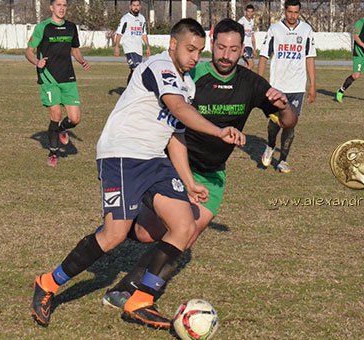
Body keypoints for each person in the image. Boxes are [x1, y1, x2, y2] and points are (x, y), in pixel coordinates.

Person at [31, 18, 246, 329]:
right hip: (122, 154)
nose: (194, 57)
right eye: (189, 49)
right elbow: (178, 109)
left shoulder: (188, 83)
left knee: (184, 226)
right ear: (173, 44)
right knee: (114, 234)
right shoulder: (158, 66)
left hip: (154, 160)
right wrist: (218, 131)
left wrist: (188, 182)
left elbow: (175, 135)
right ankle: (48, 283)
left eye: (199, 51)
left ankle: (141, 300)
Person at [100, 18, 297, 311]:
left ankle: (131, 290)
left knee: (188, 232)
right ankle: (121, 223)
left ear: (242, 49)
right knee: (146, 233)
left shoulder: (252, 83)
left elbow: (288, 122)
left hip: (213, 174)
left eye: (233, 49)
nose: (226, 55)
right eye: (220, 47)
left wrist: (285, 106)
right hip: (177, 166)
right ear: (211, 44)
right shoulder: (194, 77)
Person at [25, 0, 90, 168]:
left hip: (68, 77)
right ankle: (53, 153)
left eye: (64, 5)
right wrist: (36, 62)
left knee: (75, 119)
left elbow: (75, 49)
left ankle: (61, 129)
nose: (62, 8)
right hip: (48, 77)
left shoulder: (71, 27)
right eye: (58, 5)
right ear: (51, 8)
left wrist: (81, 60)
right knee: (55, 113)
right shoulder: (43, 27)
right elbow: (29, 51)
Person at [257, 0, 316, 173]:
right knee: (275, 123)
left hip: (297, 86)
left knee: (290, 124)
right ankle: (270, 146)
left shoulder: (306, 30)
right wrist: (259, 83)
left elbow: (310, 58)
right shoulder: (275, 30)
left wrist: (312, 85)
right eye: (290, 12)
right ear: (284, 11)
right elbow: (263, 56)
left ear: (300, 12)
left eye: (296, 12)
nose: (293, 16)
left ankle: (283, 160)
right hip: (278, 85)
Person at [114, 0, 152, 83]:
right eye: (134, 5)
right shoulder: (125, 18)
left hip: (138, 48)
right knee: (136, 69)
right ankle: (131, 90)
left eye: (137, 5)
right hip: (129, 48)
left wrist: (147, 47)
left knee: (135, 70)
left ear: (140, 7)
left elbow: (144, 34)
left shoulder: (142, 18)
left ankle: (129, 89)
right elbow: (119, 33)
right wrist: (116, 46)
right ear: (130, 7)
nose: (136, 7)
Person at [238, 4, 257, 69]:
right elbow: (238, 35)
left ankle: (241, 78)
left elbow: (252, 36)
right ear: (245, 11)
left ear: (253, 12)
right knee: (251, 65)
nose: (249, 13)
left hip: (250, 47)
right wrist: (241, 48)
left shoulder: (252, 21)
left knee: (246, 65)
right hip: (245, 46)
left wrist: (254, 49)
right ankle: (246, 78)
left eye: (251, 12)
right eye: (248, 11)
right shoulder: (241, 21)